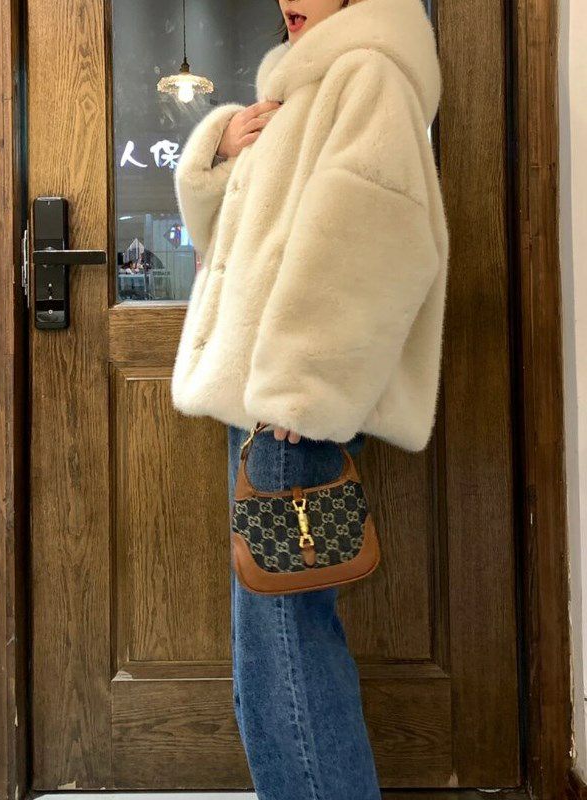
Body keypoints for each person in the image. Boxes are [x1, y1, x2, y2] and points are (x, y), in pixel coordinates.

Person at [171, 1, 449, 798]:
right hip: (270, 410)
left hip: (293, 412)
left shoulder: (368, 74)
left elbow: (380, 241)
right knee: (273, 645)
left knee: (286, 643)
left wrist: (301, 389)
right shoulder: (307, 88)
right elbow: (230, 247)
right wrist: (220, 152)